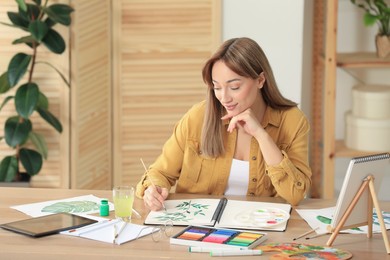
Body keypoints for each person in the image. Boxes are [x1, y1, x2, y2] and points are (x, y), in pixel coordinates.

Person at [136, 37, 312, 210]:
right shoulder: (198, 117)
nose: (224, 98)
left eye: (234, 87)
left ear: (260, 80)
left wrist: (261, 135)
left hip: (261, 230)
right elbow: (159, 173)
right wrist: (153, 190)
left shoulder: (293, 121)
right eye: (217, 87)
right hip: (198, 226)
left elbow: (295, 195)